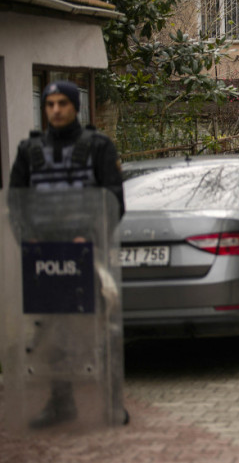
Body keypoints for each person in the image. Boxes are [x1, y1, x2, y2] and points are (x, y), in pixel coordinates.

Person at [9, 80, 126, 429]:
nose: (56, 110)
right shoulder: (29, 151)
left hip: (89, 255)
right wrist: (29, 242)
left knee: (104, 330)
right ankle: (61, 404)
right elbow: (16, 206)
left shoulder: (99, 146)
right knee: (51, 334)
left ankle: (112, 404)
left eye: (62, 103)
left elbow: (113, 201)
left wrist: (87, 237)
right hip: (44, 257)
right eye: (50, 104)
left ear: (75, 106)